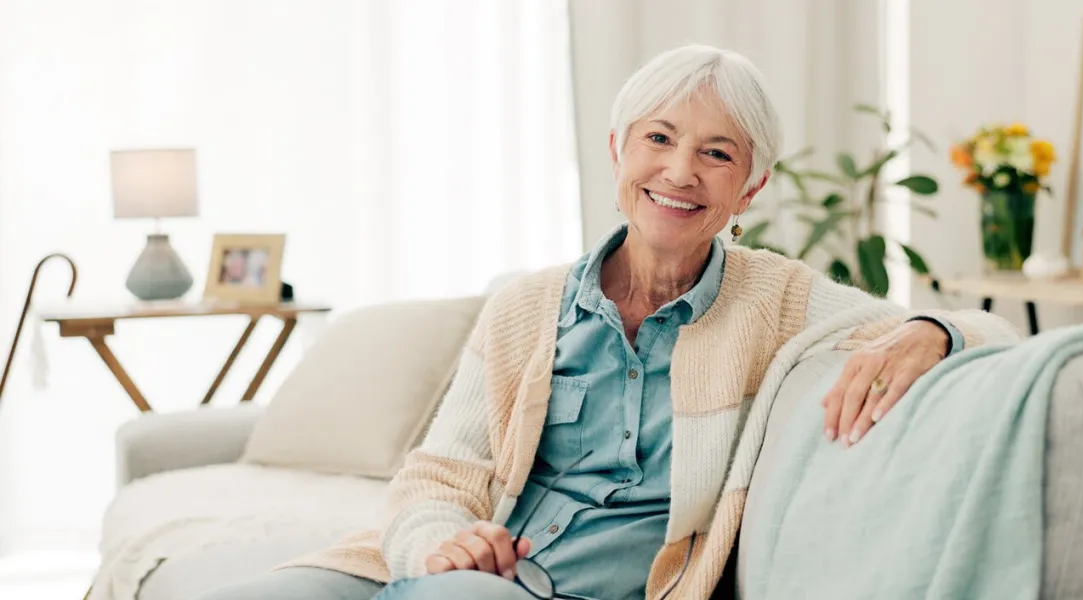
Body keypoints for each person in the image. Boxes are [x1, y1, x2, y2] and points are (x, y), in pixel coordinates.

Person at [195, 44, 1018, 600]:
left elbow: (996, 336)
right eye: (659, 138)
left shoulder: (776, 300)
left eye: (717, 153)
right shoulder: (527, 306)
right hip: (450, 573)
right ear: (620, 148)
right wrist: (437, 549)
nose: (680, 171)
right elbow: (441, 473)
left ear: (750, 190)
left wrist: (936, 333)